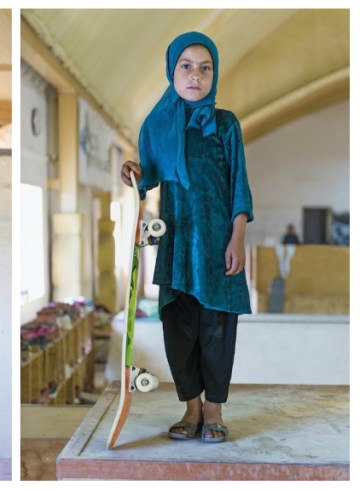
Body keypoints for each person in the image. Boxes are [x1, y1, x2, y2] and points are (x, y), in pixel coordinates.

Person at [120, 32, 253, 444]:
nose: (196, 75)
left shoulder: (226, 124)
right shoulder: (158, 124)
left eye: (205, 67)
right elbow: (148, 176)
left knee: (217, 327)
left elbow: (239, 186)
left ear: (214, 73)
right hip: (177, 243)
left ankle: (214, 410)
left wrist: (238, 238)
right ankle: (191, 408)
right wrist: (133, 172)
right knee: (179, 327)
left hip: (216, 246)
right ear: (171, 71)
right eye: (186, 66)